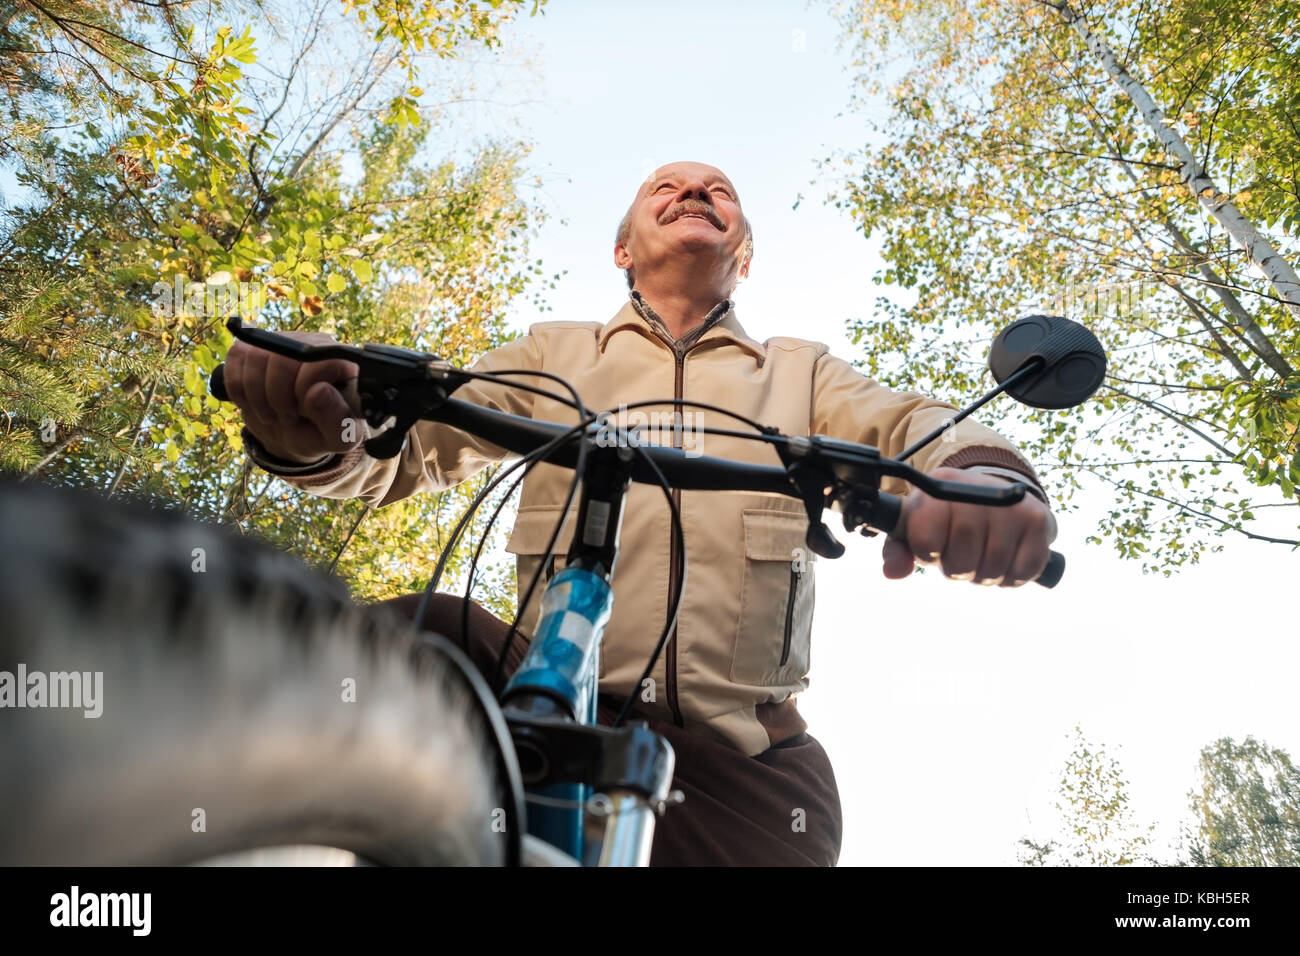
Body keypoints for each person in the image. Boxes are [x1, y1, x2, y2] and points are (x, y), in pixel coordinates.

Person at [222, 161, 1057, 866]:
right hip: (537, 687)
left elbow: (912, 425)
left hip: (744, 760)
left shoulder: (802, 372)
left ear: (747, 257)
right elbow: (405, 448)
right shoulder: (554, 353)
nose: (694, 191)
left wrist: (982, 474)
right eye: (666, 186)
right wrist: (316, 428)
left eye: (717, 190)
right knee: (405, 638)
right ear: (624, 249)